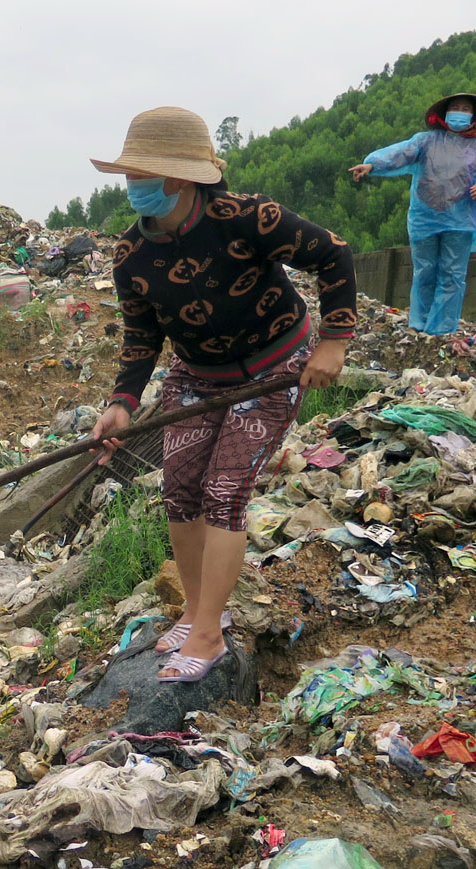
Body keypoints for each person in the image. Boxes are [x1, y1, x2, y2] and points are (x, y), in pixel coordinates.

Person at [88, 106, 357, 684]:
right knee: (181, 486)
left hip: (273, 365)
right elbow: (142, 336)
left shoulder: (248, 218)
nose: (134, 187)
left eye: (144, 175)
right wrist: (122, 403)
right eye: (130, 175)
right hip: (196, 375)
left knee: (226, 487)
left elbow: (333, 253)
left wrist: (333, 342)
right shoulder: (131, 254)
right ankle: (195, 610)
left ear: (181, 178)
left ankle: (210, 633)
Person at [349, 93, 476, 336]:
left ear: (474, 116)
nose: (459, 111)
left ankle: (442, 329)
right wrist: (372, 164)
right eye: (455, 107)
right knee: (425, 270)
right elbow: (400, 153)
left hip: (462, 220)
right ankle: (419, 325)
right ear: (444, 113)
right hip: (425, 217)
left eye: (465, 108)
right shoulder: (426, 141)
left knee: (452, 274)